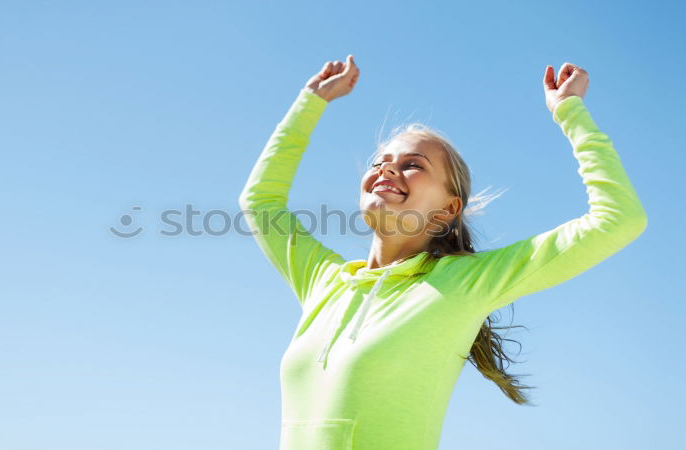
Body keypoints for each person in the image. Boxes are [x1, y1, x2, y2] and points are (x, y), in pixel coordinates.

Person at [237, 54, 647, 450]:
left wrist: (570, 112)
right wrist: (311, 102)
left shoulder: (464, 283)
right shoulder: (324, 281)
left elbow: (619, 219)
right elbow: (260, 203)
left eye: (413, 164)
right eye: (380, 161)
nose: (387, 169)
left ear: (449, 209)